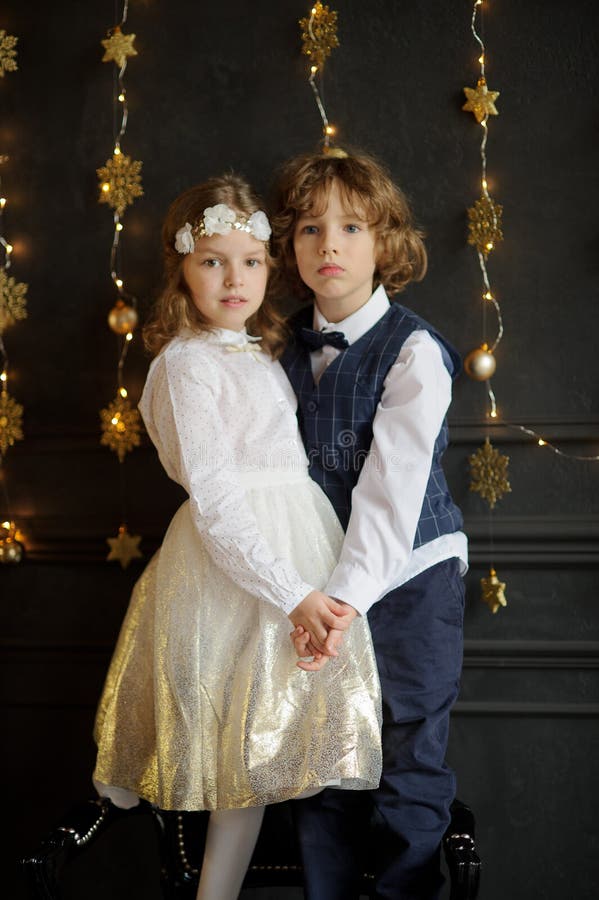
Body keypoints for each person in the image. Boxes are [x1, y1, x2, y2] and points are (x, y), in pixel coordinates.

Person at [92, 174, 382, 900]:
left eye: (250, 262)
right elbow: (217, 502)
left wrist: (311, 586)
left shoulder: (258, 355)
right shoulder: (183, 366)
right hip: (235, 573)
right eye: (213, 261)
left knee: (252, 761)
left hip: (299, 550)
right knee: (232, 757)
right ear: (182, 269)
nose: (234, 279)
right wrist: (292, 594)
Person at [271, 150, 468, 900]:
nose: (329, 246)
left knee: (408, 753)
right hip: (315, 584)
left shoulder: (414, 352)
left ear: (384, 243)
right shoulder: (277, 347)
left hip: (409, 575)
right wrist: (307, 598)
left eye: (351, 227)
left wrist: (341, 604)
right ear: (289, 247)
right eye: (311, 229)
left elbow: (389, 498)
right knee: (321, 755)